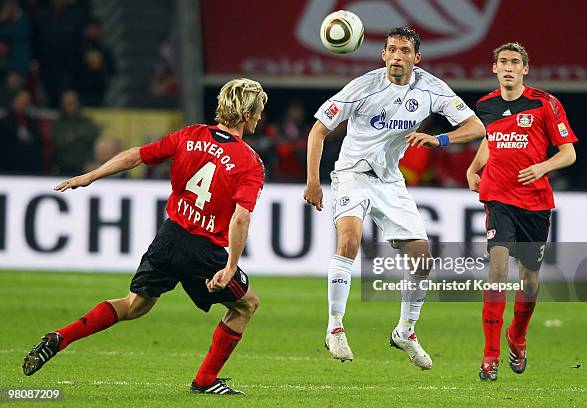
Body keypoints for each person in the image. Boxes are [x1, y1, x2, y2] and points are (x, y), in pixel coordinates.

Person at [22, 78, 268, 396]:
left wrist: (91, 175)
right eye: (259, 110)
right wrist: (231, 266)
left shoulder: (190, 135)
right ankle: (205, 380)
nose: (261, 117)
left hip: (169, 236)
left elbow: (137, 155)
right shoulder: (250, 162)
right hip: (203, 250)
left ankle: (61, 337)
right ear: (247, 114)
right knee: (246, 305)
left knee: (134, 304)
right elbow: (241, 217)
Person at [303, 27, 485, 368]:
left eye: (404, 51)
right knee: (349, 242)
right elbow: (318, 130)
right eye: (391, 50)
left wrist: (440, 140)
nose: (397, 57)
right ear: (383, 55)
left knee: (423, 260)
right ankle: (335, 326)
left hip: (390, 182)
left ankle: (405, 331)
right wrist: (313, 181)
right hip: (352, 175)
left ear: (417, 58)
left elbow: (477, 128)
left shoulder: (431, 88)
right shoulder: (362, 87)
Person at [465, 42, 577, 381]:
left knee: (528, 281)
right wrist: (474, 168)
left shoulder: (545, 103)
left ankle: (517, 336)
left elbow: (568, 153)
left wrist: (543, 167)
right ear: (495, 68)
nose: (509, 67)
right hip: (499, 198)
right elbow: (490, 139)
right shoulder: (484, 106)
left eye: (515, 62)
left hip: (536, 203)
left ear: (525, 69)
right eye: (503, 62)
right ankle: (490, 355)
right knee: (497, 271)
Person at [51, 90, 99, 175]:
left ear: (78, 103)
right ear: (62, 105)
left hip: (85, 168)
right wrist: (80, 137)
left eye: (73, 103)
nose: (71, 107)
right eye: (68, 103)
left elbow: (92, 135)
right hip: (62, 168)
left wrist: (75, 136)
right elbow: (59, 143)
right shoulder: (58, 124)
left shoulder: (86, 122)